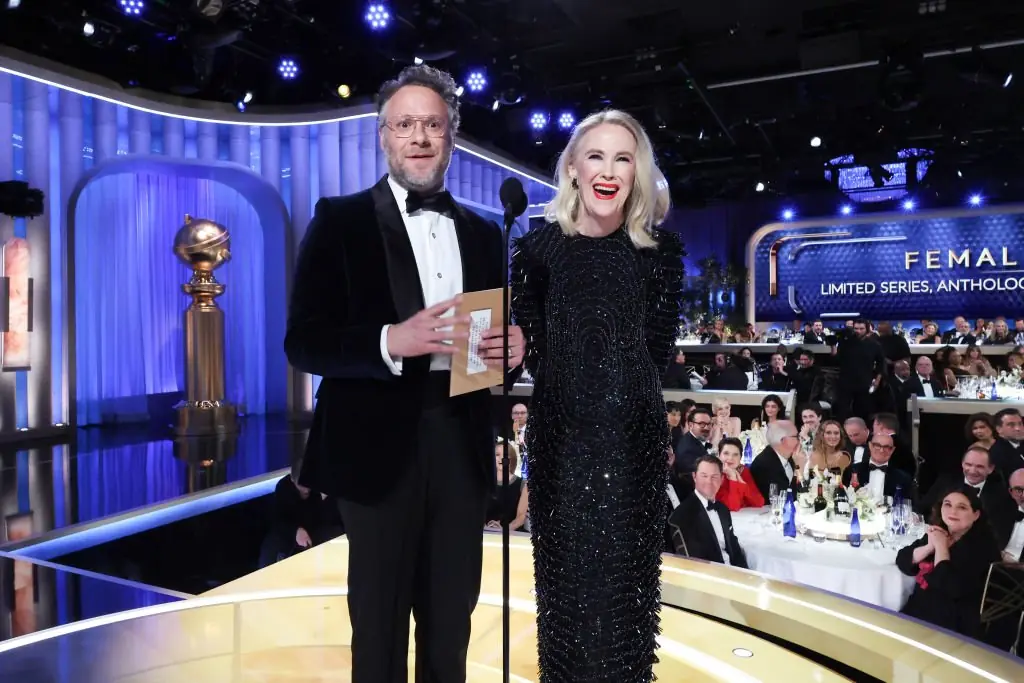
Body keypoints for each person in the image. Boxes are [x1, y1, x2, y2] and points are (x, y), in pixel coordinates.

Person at [284, 64, 525, 683]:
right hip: (374, 452)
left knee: (452, 623)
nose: (419, 136)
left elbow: (488, 344)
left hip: (460, 447)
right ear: (384, 137)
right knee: (380, 626)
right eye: (405, 124)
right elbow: (303, 342)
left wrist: (515, 348)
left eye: (433, 125)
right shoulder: (338, 220)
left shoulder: (481, 231)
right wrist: (392, 339)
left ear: (451, 138)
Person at [510, 109, 683, 681]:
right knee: (565, 607)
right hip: (561, 448)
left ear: (637, 172)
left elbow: (652, 357)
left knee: (626, 608)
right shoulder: (537, 252)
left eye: (623, 158)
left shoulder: (660, 254)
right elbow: (532, 353)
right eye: (596, 156)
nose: (608, 171)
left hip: (632, 451)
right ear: (573, 169)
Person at [896, 486, 1001, 639]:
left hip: (952, 624)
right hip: (919, 611)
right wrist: (928, 547)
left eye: (962, 507)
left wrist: (940, 547)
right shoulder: (942, 532)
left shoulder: (983, 547)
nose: (953, 512)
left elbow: (947, 586)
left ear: (976, 514)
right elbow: (903, 560)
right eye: (948, 504)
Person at [668, 455, 749, 567]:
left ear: (722, 479)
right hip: (711, 578)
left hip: (734, 574)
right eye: (704, 476)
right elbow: (695, 565)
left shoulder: (723, 509)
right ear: (694, 477)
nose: (709, 481)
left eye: (714, 477)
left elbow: (734, 550)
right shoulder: (682, 516)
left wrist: (746, 575)